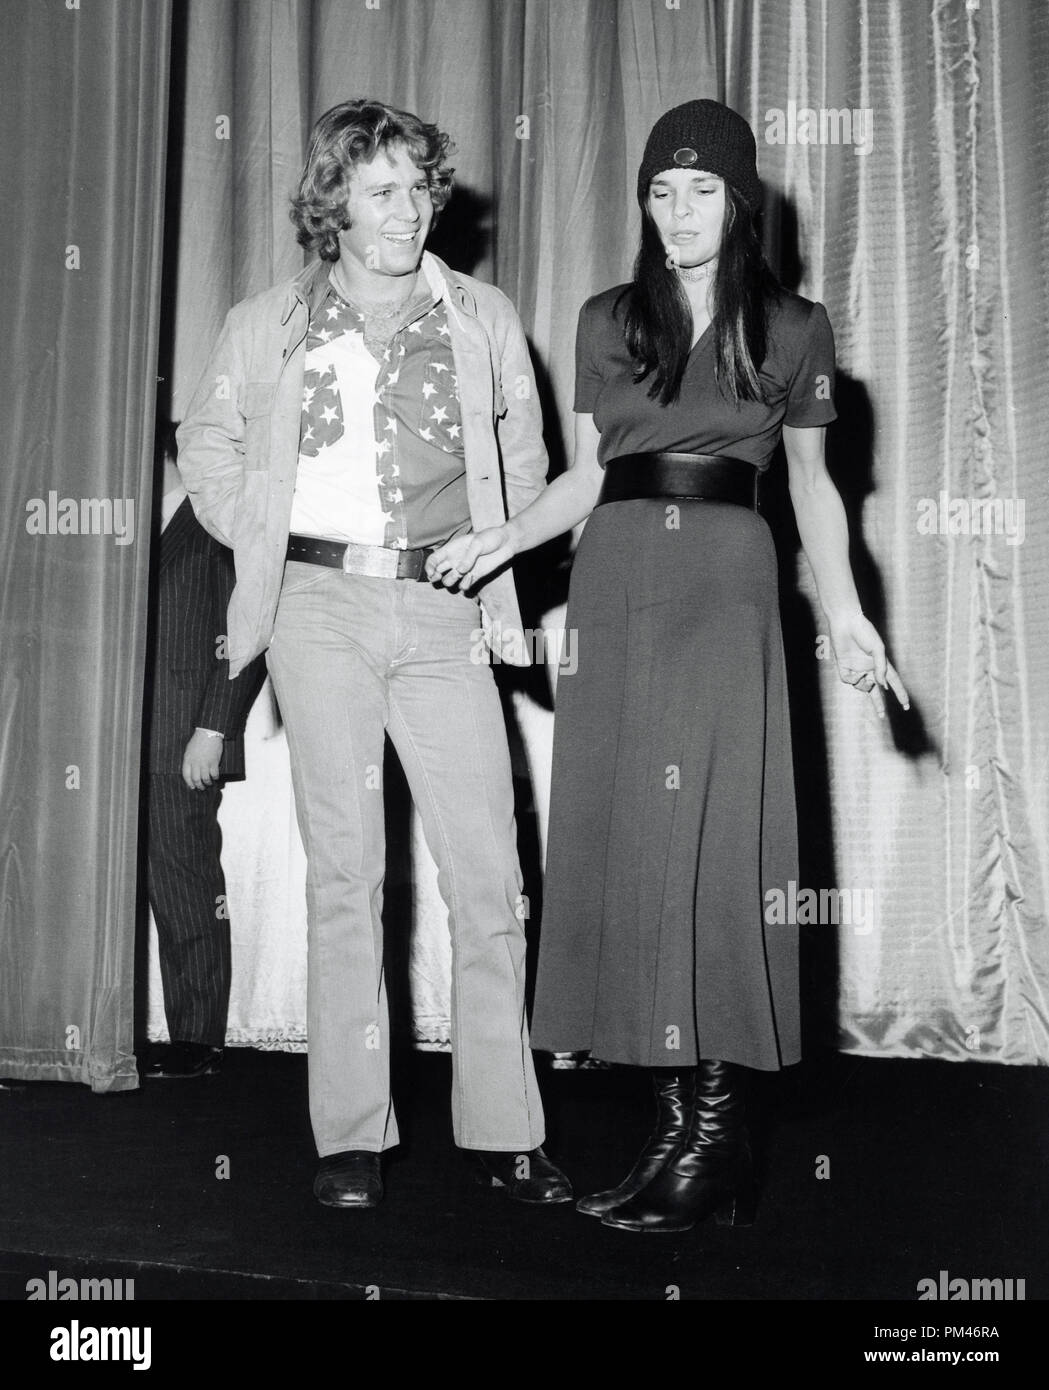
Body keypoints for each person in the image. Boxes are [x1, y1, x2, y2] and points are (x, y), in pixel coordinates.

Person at [427, 99, 908, 1232]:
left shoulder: (792, 326)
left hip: (723, 586)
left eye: (699, 191)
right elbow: (596, 475)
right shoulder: (608, 318)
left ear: (739, 202)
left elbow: (811, 488)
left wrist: (844, 617)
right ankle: (676, 1133)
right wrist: (506, 535)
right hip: (616, 579)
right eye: (658, 191)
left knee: (710, 848)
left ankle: (715, 1137)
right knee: (629, 845)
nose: (677, 213)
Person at [176, 99, 571, 1209]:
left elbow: (529, 462)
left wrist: (498, 550)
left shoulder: (480, 314)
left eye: (421, 189)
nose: (410, 212)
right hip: (317, 609)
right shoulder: (270, 320)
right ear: (334, 204)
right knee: (349, 874)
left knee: (489, 875)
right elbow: (207, 437)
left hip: (446, 611)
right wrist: (254, 528)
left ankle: (503, 1129)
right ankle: (352, 1135)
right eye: (383, 191)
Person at [143, 422, 265, 1080]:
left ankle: (197, 1039)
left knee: (186, 887)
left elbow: (248, 630)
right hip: (111, 745)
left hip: (181, 738)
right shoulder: (119, 522)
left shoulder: (218, 518)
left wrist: (214, 728)